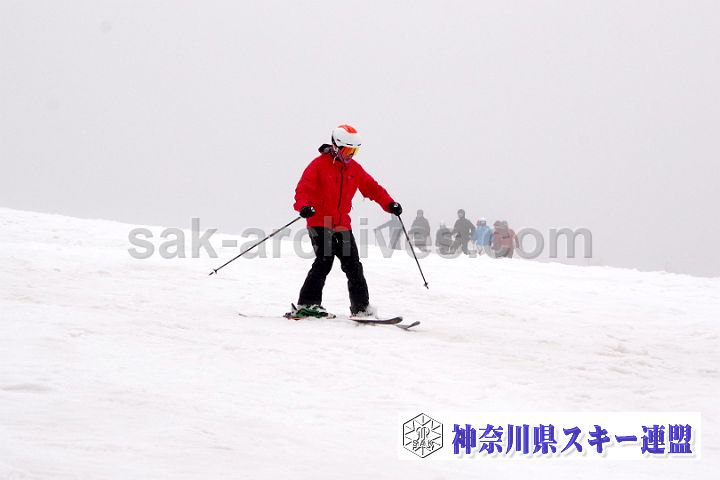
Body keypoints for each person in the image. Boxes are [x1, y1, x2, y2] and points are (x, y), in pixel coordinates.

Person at [290, 124, 402, 319]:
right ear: (335, 146)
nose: (350, 155)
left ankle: (361, 308)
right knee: (324, 261)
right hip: (320, 221)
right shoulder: (318, 165)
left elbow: (372, 188)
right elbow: (303, 190)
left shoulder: (354, 169)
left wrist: (389, 203)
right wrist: (304, 206)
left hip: (342, 224)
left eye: (354, 151)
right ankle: (307, 304)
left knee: (353, 265)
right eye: (348, 151)